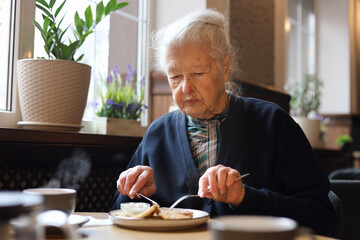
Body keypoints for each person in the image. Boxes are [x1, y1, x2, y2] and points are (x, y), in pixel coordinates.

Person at [112, 9, 336, 235]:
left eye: (199, 73)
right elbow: (116, 214)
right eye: (175, 77)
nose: (186, 88)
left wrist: (244, 197)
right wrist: (137, 194)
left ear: (226, 67)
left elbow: (323, 217)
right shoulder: (158, 134)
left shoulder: (272, 123)